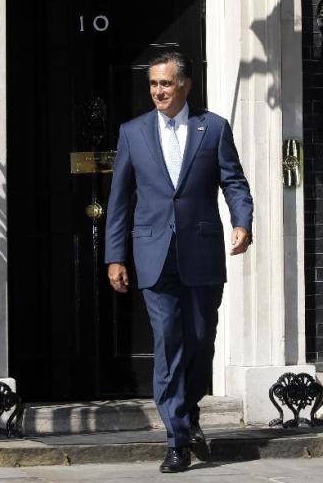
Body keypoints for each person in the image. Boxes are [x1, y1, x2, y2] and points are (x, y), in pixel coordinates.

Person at [104, 51, 253, 473]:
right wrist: (115, 256)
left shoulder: (214, 128)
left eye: (165, 84)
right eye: (153, 85)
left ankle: (187, 413)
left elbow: (234, 182)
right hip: (153, 255)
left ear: (184, 85)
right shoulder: (133, 133)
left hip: (202, 253)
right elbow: (118, 201)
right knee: (168, 342)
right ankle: (176, 440)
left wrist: (242, 222)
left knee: (201, 341)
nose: (158, 92)